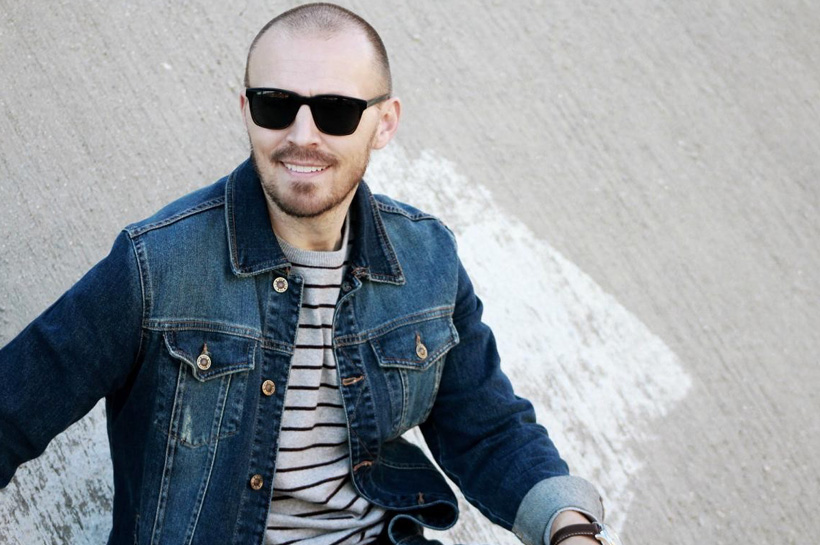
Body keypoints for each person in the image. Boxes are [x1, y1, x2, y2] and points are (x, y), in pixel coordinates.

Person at [0, 3, 620, 545]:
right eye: (275, 106)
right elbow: (12, 411)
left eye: (336, 111)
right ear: (246, 110)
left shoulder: (427, 259)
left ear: (384, 123)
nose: (302, 136)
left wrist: (569, 528)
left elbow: (487, 429)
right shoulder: (156, 266)